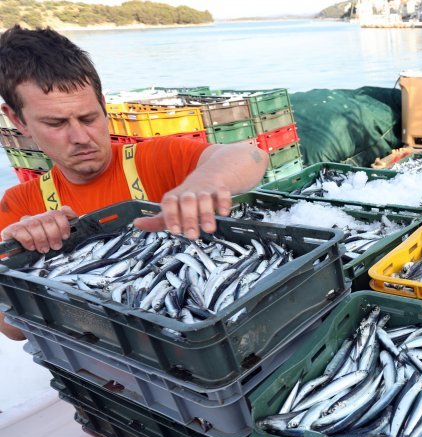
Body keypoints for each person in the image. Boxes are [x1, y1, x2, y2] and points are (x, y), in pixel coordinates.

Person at [0, 26, 269, 341]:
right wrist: (22, 253)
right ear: (17, 120)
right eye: (56, 123)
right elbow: (14, 330)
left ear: (102, 104)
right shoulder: (18, 205)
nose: (80, 137)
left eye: (89, 118)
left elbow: (252, 156)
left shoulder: (155, 157)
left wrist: (205, 180)